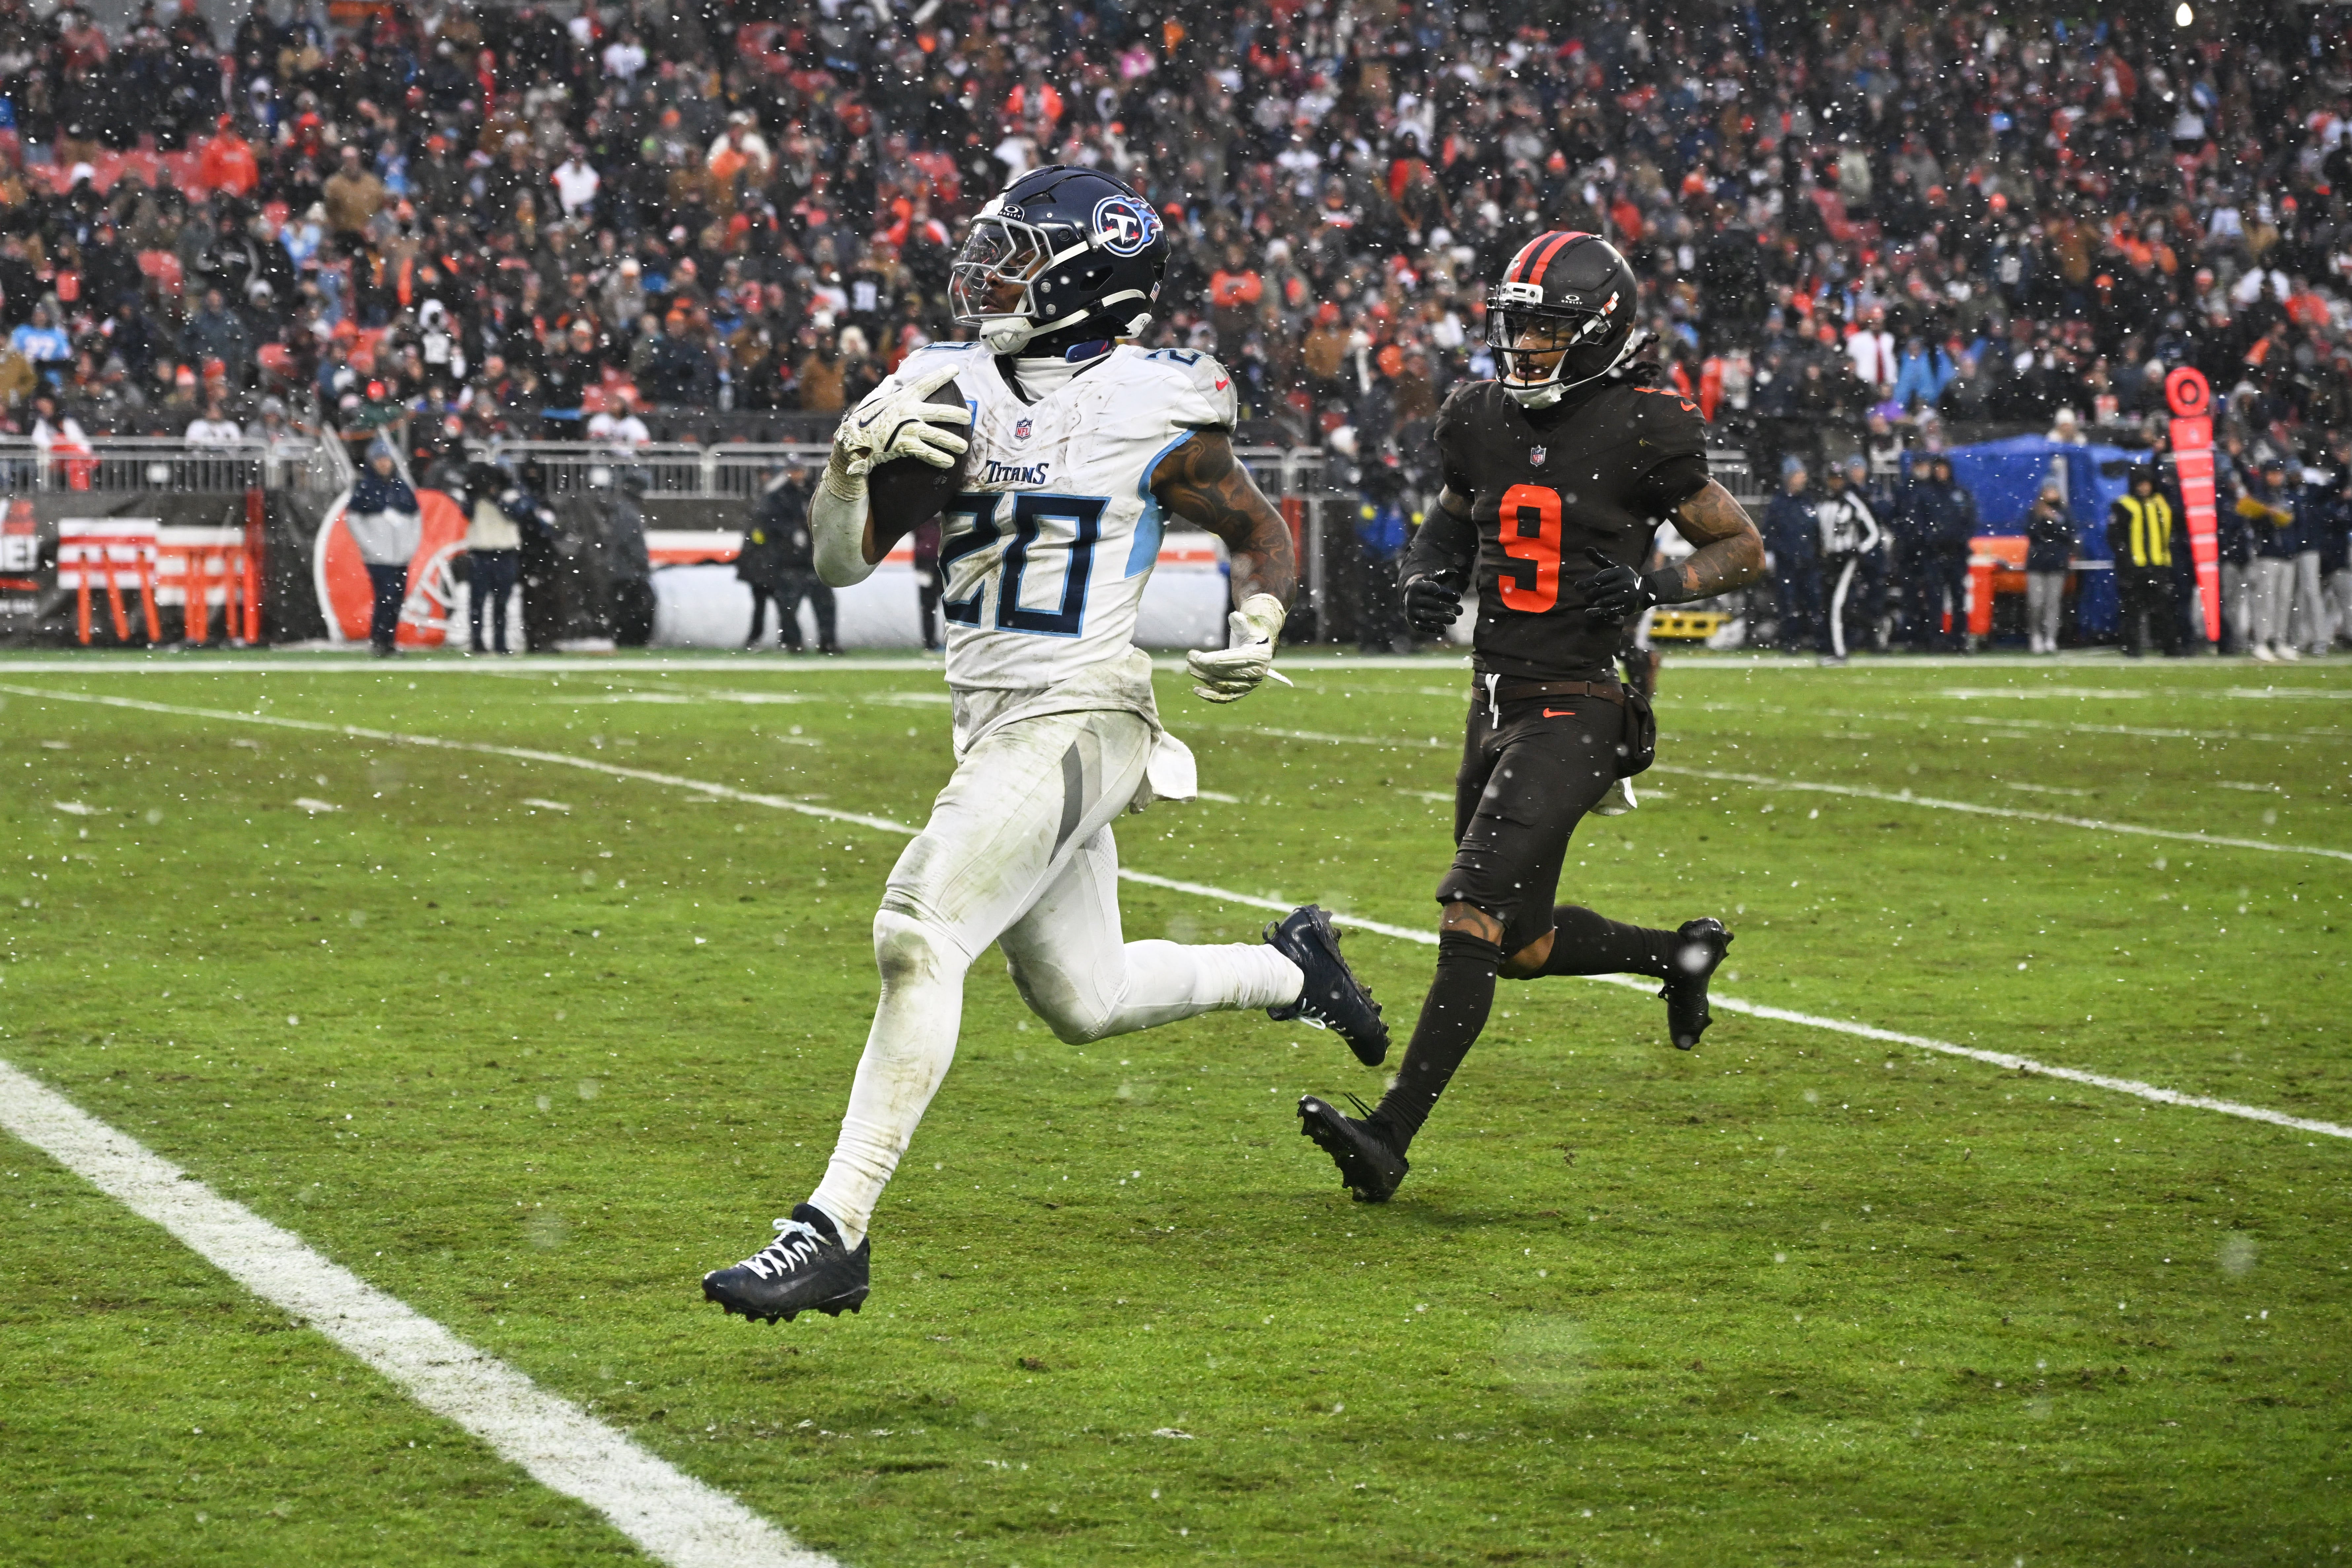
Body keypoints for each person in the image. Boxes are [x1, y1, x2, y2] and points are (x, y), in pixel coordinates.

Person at [700, 166, 1388, 1324]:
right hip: (993, 716)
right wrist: (840, 470)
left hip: (1089, 706)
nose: (987, 271)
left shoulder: (1156, 402)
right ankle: (1297, 967)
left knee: (918, 931)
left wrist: (1263, 614)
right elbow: (838, 563)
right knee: (1087, 995)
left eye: (1018, 252)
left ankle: (834, 1227)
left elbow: (1258, 526)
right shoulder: (945, 384)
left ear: (1083, 279)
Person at [1297, 231, 1764, 1204]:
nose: (1529, 346)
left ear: (1600, 332)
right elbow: (1452, 518)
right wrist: (1425, 578)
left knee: (1471, 911)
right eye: (1520, 325)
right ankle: (1682, 954)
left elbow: (1742, 547)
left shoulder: (1644, 425)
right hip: (1497, 695)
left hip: (1586, 700)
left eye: (1551, 327)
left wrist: (1657, 581)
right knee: (1522, 943)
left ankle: (1388, 1138)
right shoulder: (1479, 417)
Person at [345, 443, 420, 656]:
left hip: (400, 557)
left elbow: (416, 519)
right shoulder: (366, 488)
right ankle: (380, 640)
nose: (384, 464)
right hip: (378, 558)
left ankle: (388, 641)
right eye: (380, 460)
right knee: (385, 597)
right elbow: (353, 519)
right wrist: (370, 546)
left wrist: (410, 547)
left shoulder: (402, 488)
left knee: (396, 599)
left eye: (387, 460)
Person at [1904, 454, 1979, 651]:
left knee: (1958, 598)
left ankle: (1959, 638)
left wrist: (1959, 540)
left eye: (1943, 469)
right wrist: (1931, 539)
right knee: (1934, 598)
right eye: (1937, 469)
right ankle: (1935, 638)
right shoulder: (1926, 494)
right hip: (1934, 554)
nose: (1941, 473)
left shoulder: (1960, 493)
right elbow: (1918, 523)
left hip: (1956, 554)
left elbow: (1969, 521)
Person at [1814, 455, 1883, 664]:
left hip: (1847, 559)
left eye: (1839, 479)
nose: (1836, 483)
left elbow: (1874, 533)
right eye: (1833, 479)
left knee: (1837, 604)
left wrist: (1858, 551)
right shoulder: (1822, 503)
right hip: (1829, 560)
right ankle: (1837, 645)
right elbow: (1819, 533)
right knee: (1829, 603)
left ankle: (1840, 652)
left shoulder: (1852, 502)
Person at [2109, 465, 2183, 658]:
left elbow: (2172, 531)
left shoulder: (2161, 504)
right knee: (2132, 610)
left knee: (2165, 609)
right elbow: (2115, 538)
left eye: (2148, 484)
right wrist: (2125, 562)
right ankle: (2131, 647)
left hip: (2159, 565)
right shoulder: (2123, 505)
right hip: (2135, 567)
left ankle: (2170, 647)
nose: (2145, 488)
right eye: (2141, 484)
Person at [2239, 456, 2301, 661]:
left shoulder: (2286, 494)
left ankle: (2280, 641)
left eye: (2279, 473)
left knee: (2284, 601)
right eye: (2273, 473)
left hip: (2286, 555)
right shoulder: (2260, 496)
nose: (2277, 477)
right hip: (2267, 554)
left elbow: (2295, 522)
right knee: (2265, 600)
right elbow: (2251, 522)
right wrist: (2268, 515)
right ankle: (2261, 642)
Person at [460, 456, 524, 654]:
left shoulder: (512, 494)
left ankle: (500, 642)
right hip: (481, 552)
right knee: (478, 601)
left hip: (506, 552)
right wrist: (474, 493)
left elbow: (516, 513)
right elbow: (466, 513)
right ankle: (477, 641)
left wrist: (497, 498)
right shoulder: (474, 497)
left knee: (502, 602)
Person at [1761, 458, 1819, 650]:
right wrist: (1785, 552)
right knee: (1788, 603)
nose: (1802, 480)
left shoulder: (1808, 502)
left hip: (1808, 563)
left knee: (1813, 602)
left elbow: (1816, 532)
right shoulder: (1779, 504)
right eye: (1798, 475)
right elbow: (1768, 535)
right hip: (1787, 563)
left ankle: (1814, 639)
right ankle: (1791, 640)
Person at [606, 469, 657, 647]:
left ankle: (626, 639)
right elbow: (631, 545)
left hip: (623, 571)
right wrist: (643, 566)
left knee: (625, 608)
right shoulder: (629, 513)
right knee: (634, 608)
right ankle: (630, 640)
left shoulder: (623, 509)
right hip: (628, 572)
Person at [2023, 475, 2074, 655]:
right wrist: (2043, 520)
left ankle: (2051, 638)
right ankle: (2036, 635)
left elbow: (2069, 535)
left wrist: (2055, 521)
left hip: (2057, 563)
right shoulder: (2035, 512)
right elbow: (2031, 533)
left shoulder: (2065, 512)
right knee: (2036, 603)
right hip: (2038, 563)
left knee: (2053, 604)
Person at [911, 514, 942, 652]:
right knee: (929, 606)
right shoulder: (924, 516)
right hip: (929, 561)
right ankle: (930, 643)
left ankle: (932, 643)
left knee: (936, 605)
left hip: (934, 560)